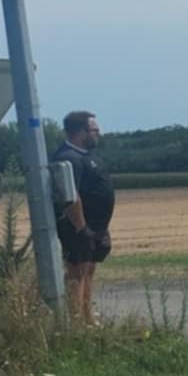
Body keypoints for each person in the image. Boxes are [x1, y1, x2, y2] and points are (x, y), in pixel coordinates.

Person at [53, 110, 114, 323]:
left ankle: (88, 318)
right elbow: (70, 196)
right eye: (94, 130)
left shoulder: (88, 156)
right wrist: (81, 227)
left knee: (88, 271)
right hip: (78, 227)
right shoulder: (68, 158)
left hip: (96, 226)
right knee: (77, 273)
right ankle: (76, 321)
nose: (98, 134)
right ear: (80, 132)